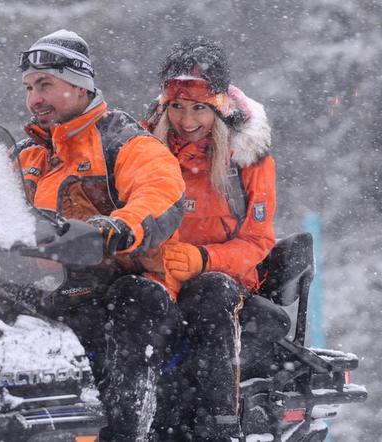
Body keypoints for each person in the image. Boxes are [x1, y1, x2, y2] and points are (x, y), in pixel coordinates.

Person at [15, 29, 186, 441]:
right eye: (29, 88)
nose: (35, 98)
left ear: (79, 86)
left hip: (113, 279)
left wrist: (114, 228)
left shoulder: (123, 141)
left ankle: (126, 431)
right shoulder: (27, 152)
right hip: (43, 281)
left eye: (45, 85)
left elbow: (160, 191)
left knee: (136, 301)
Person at [142, 36, 277, 441]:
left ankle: (219, 427)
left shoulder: (247, 157)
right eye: (177, 107)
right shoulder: (142, 147)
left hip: (226, 283)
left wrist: (204, 259)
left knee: (209, 293)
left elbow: (258, 241)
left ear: (218, 106)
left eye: (199, 108)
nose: (187, 120)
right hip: (157, 271)